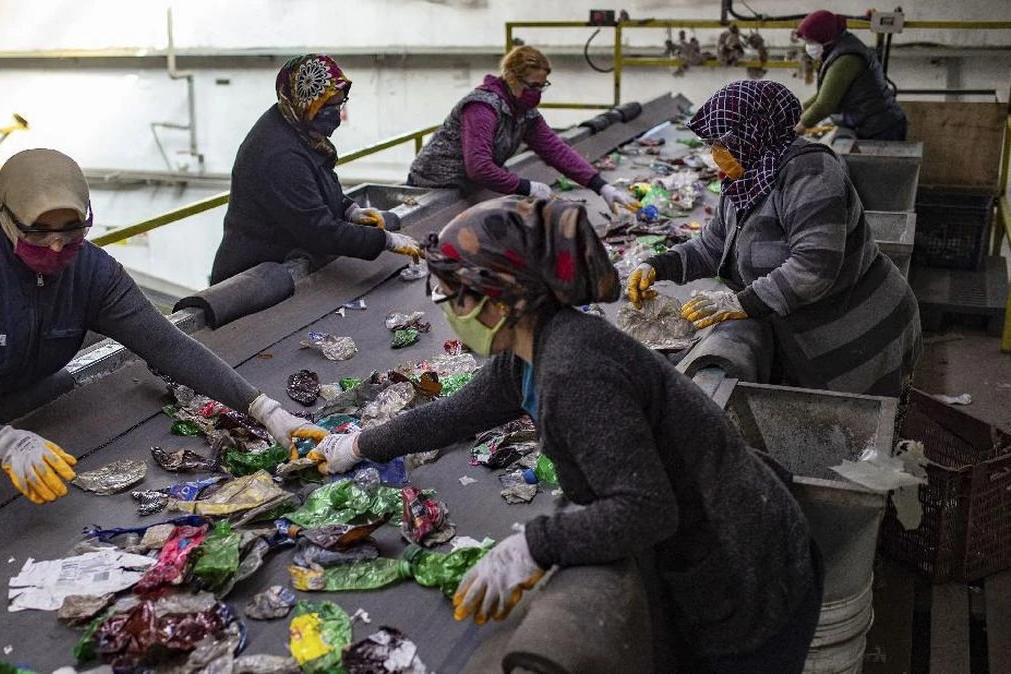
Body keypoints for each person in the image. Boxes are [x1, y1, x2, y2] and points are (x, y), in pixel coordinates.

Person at [310, 196, 822, 671]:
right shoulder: (535, 348)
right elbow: (455, 414)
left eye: (450, 296)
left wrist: (533, 545)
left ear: (498, 299)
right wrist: (357, 444)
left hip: (752, 578)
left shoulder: (575, 372)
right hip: (728, 541)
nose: (445, 310)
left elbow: (645, 510)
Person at [0, 148, 324, 505]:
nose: (56, 248)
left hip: (2, 404)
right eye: (39, 232)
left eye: (72, 231)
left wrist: (265, 411)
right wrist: (4, 441)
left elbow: (168, 348)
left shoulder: (93, 274)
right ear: (5, 217)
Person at [628, 80, 921, 402]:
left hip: (861, 330)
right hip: (811, 327)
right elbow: (713, 245)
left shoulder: (811, 173)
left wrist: (743, 302)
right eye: (710, 145)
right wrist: (658, 265)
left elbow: (815, 266)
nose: (715, 154)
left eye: (720, 143)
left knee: (852, 428)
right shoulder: (746, 177)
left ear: (753, 132)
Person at [210, 54, 421, 284]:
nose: (336, 114)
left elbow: (318, 181)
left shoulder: (298, 126)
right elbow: (320, 232)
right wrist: (384, 241)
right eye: (327, 106)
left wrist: (349, 209)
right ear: (306, 101)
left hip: (284, 261)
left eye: (340, 103)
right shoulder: (280, 155)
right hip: (251, 279)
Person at [407, 46, 637, 210]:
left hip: (466, 185)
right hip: (433, 186)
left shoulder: (523, 112)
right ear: (511, 78)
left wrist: (601, 186)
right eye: (533, 85)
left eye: (542, 86)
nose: (537, 93)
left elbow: (556, 150)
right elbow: (478, 167)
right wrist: (527, 187)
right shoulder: (482, 108)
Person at [795, 10, 907, 140]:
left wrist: (799, 127)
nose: (809, 46)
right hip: (872, 123)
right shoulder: (840, 48)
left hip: (882, 127)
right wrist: (797, 110)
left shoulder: (846, 58)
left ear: (824, 36)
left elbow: (825, 104)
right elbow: (826, 93)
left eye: (810, 41)